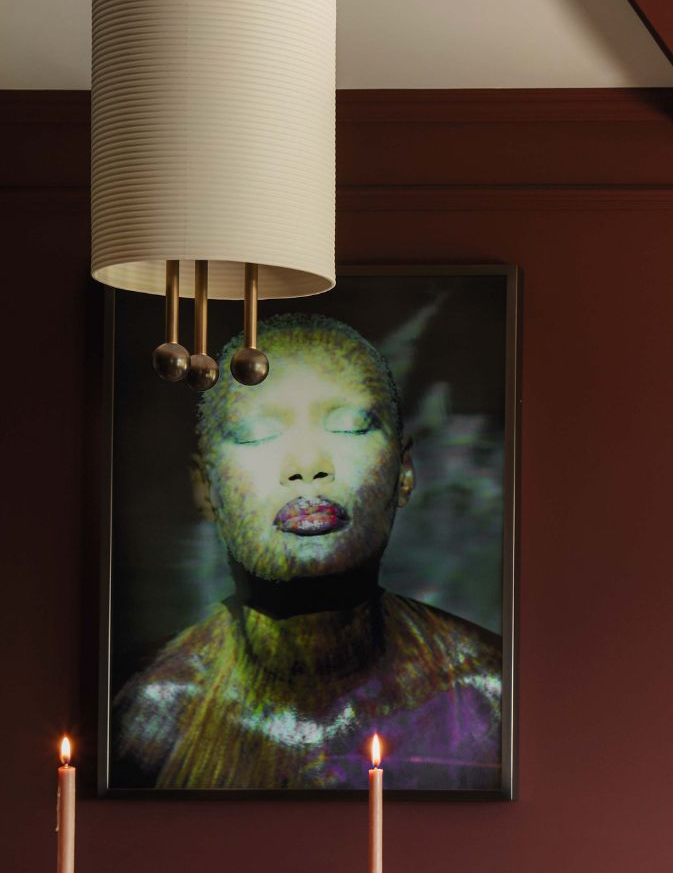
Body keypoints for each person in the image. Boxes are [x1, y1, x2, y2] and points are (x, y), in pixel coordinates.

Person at [112, 312, 503, 791]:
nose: (307, 467)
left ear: (403, 473)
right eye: (258, 434)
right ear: (204, 488)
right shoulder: (141, 710)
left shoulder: (492, 694)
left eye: (351, 426)